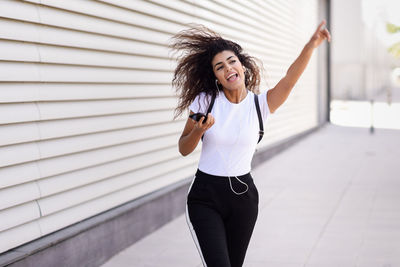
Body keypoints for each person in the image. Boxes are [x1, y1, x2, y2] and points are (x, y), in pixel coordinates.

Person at [170, 21, 331, 267]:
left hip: (244, 198)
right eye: (219, 67)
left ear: (242, 66)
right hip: (205, 196)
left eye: (232, 61)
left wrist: (312, 44)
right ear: (216, 77)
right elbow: (184, 148)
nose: (228, 69)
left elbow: (290, 79)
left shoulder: (260, 105)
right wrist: (198, 131)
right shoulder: (206, 101)